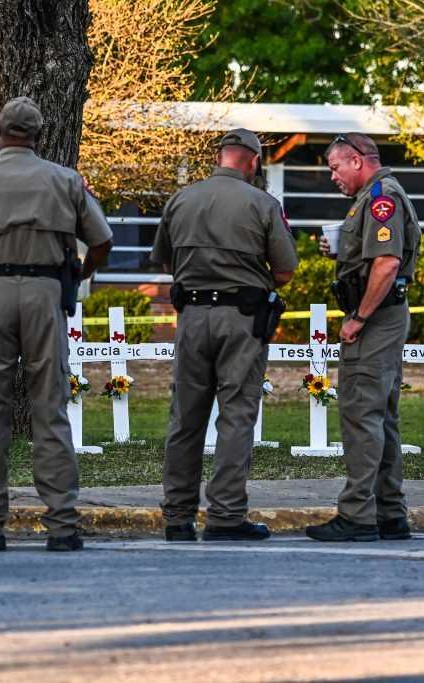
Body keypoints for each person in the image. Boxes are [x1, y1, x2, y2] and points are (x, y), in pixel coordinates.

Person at [0, 96, 113, 552]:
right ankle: (63, 525)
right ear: (39, 134)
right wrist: (78, 274)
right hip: (47, 294)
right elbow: (102, 240)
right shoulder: (66, 180)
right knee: (51, 406)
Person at [151, 128, 298, 542]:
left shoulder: (182, 200)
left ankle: (177, 517)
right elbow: (284, 271)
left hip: (193, 316)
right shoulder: (263, 204)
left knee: (186, 417)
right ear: (252, 161)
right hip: (242, 318)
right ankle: (226, 515)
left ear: (220, 156)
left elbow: (164, 261)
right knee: (235, 416)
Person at [306, 132, 421, 542]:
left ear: (357, 161)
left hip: (376, 319)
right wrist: (342, 251)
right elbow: (374, 257)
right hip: (384, 315)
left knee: (361, 414)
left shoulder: (381, 197)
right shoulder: (373, 198)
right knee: (382, 417)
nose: (333, 176)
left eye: (335, 168)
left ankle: (357, 516)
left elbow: (387, 264)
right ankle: (390, 514)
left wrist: (358, 317)